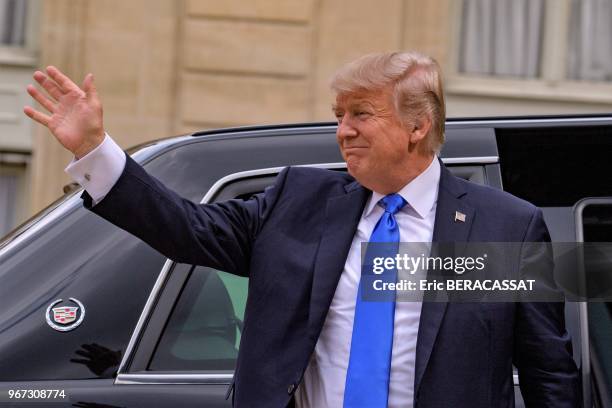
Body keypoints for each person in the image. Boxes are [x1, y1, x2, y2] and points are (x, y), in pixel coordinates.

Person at [24, 51, 580, 407]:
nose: (343, 132)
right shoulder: (298, 203)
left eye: (361, 115)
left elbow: (548, 375)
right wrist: (95, 151)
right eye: (339, 115)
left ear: (418, 126)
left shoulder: (502, 226)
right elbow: (186, 228)